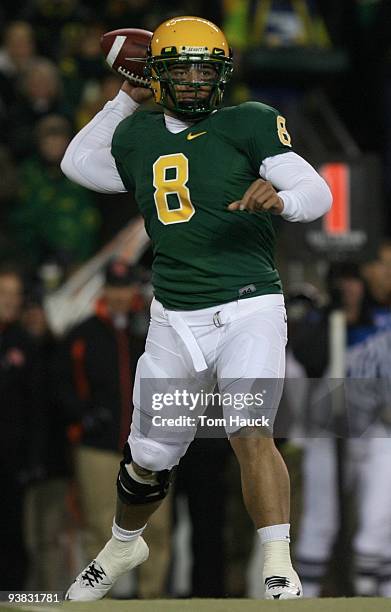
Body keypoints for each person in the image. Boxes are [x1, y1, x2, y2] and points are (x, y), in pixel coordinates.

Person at [61, 16, 332, 600]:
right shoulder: (138, 135)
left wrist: (281, 198)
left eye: (203, 69)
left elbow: (318, 193)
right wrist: (120, 101)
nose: (191, 80)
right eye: (178, 68)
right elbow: (77, 165)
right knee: (150, 456)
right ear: (155, 75)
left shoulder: (250, 122)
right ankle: (125, 542)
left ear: (222, 75)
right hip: (174, 315)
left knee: (250, 428)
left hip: (248, 305)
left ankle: (278, 563)